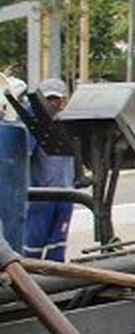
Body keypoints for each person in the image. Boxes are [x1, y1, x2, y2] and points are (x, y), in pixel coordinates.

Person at [22, 78, 76, 262]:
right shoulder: (35, 124)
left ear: (63, 101)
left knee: (57, 248)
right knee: (32, 249)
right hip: (42, 197)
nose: (53, 103)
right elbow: (25, 155)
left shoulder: (69, 124)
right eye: (48, 99)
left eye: (56, 99)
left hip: (66, 196)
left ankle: (56, 285)